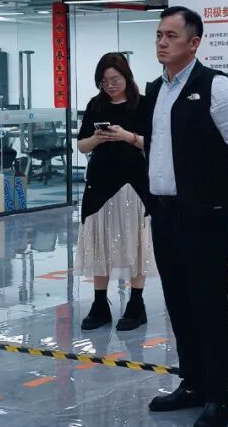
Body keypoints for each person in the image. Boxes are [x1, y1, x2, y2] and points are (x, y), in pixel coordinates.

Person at [143, 7, 228, 427]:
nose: (162, 42)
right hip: (165, 212)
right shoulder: (156, 90)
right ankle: (191, 382)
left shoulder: (215, 87)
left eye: (171, 36)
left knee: (208, 302)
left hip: (205, 213)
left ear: (194, 43)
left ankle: (219, 396)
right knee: (177, 301)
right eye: (159, 34)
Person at [75, 52, 154, 332]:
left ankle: (136, 303)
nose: (110, 85)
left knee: (135, 241)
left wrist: (126, 136)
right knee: (99, 241)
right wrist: (97, 138)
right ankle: (100, 303)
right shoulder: (95, 105)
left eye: (115, 79)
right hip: (100, 183)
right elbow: (81, 146)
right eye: (104, 81)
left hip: (133, 183)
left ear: (127, 78)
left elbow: (152, 143)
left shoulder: (142, 104)